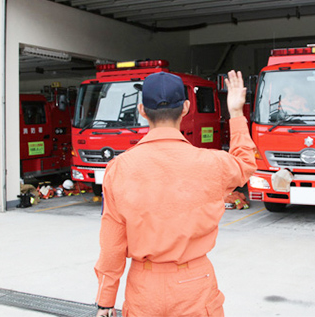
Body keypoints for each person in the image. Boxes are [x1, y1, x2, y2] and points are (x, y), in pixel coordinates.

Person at [94, 70, 257, 317]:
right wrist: (235, 113)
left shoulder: (118, 169)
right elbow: (245, 162)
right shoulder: (211, 163)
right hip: (194, 283)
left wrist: (106, 299)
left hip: (143, 288)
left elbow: (112, 242)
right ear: (186, 108)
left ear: (141, 110)